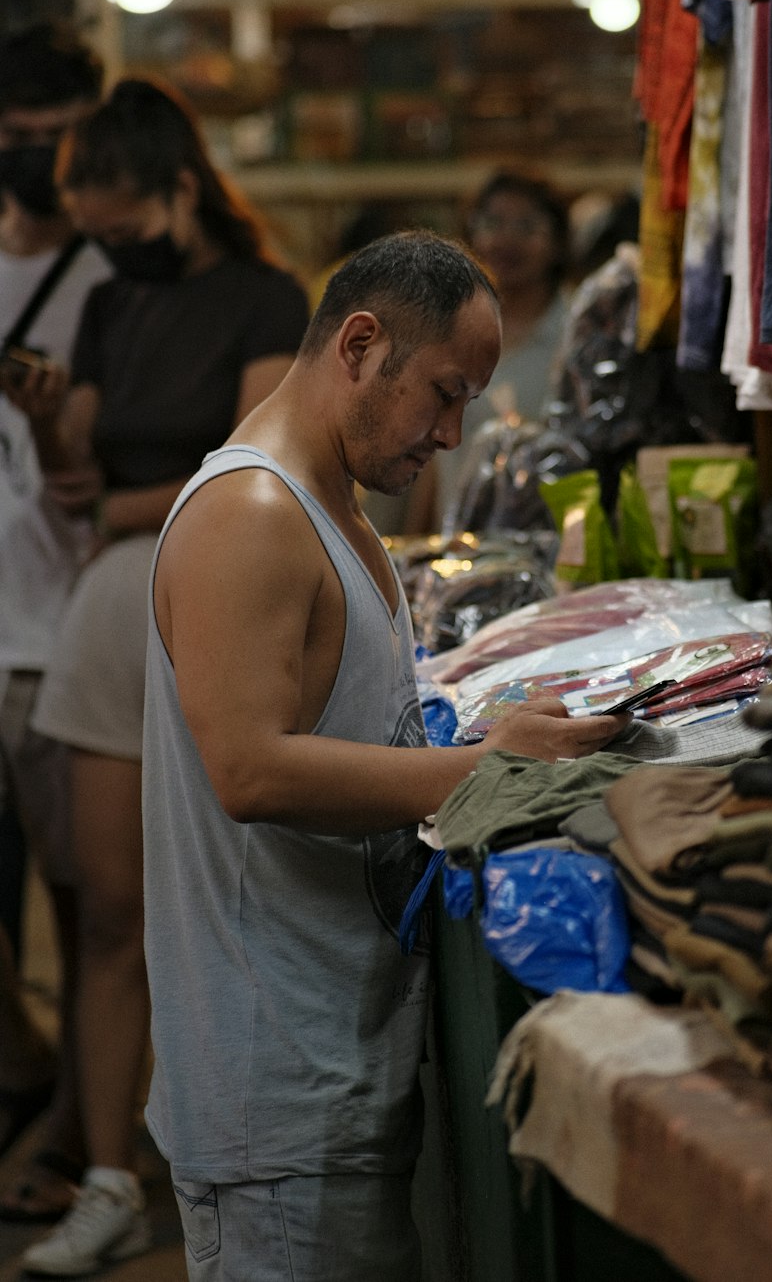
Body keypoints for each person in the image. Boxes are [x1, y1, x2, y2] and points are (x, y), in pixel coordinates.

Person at [139, 230, 627, 1282]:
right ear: (360, 344)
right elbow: (250, 771)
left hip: (329, 1070)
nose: (451, 434)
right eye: (443, 395)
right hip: (274, 1095)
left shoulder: (331, 508)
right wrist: (494, 765)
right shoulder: (252, 515)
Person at [4, 78, 309, 1277]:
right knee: (106, 907)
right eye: (95, 231)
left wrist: (119, 499)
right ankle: (112, 1174)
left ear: (183, 190)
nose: (112, 251)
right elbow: (73, 482)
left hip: (207, 585)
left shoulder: (263, 297)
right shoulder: (108, 306)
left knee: (236, 893)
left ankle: (241, 1150)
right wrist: (39, 430)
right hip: (105, 599)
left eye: (126, 225)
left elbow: (243, 465)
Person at [0, 22, 108, 1224]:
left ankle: (79, 1130)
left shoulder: (113, 277)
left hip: (62, 634)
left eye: (52, 139)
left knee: (88, 906)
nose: (33, 160)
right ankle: (27, 1083)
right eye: (14, 141)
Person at [434, 169, 572, 530]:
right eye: (493, 223)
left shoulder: (575, 336)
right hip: (455, 550)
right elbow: (434, 463)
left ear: (557, 243)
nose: (506, 240)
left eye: (526, 227)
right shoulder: (444, 330)